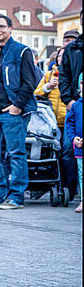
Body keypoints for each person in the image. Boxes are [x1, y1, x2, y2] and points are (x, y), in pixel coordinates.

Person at [0, 14, 37, 210]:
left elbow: (30, 82)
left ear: (11, 28)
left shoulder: (22, 52)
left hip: (12, 113)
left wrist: (18, 106)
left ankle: (17, 197)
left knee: (16, 153)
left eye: (1, 27)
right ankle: (0, 194)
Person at [35, 47, 78, 199]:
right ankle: (47, 185)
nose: (63, 58)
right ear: (57, 59)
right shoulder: (48, 74)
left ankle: (69, 188)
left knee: (67, 152)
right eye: (60, 56)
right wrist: (48, 86)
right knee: (50, 153)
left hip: (68, 120)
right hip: (50, 122)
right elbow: (37, 93)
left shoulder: (75, 73)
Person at [64, 76, 83, 213]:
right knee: (81, 174)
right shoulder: (76, 105)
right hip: (80, 146)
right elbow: (69, 124)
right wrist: (74, 138)